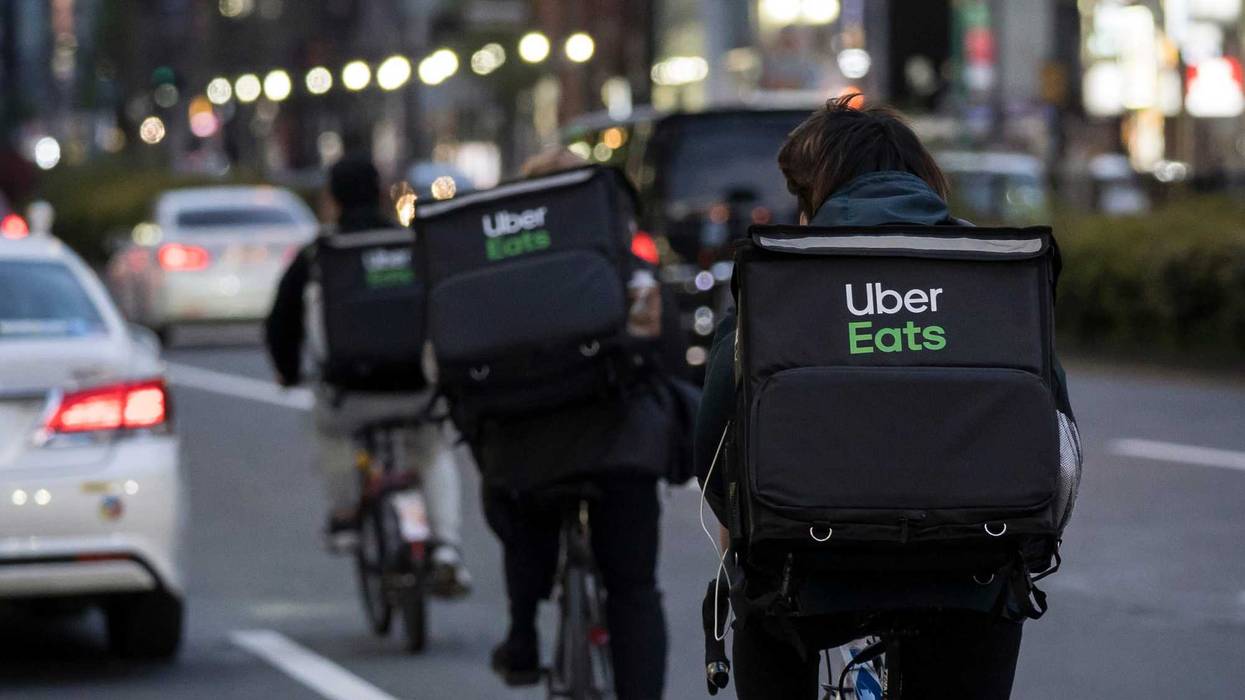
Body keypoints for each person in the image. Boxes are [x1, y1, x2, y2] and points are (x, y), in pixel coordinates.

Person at [694, 96, 1076, 699]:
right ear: (923, 178)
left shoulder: (784, 274)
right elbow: (1059, 438)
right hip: (972, 571)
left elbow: (714, 437)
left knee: (763, 615)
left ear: (812, 194)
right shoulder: (993, 272)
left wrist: (746, 531)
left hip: (804, 577)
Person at [476, 150, 670, 699]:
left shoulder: (497, 263)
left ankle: (522, 636)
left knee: (520, 508)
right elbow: (667, 350)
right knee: (634, 589)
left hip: (524, 446)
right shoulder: (621, 255)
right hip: (621, 444)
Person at [264, 154, 471, 595]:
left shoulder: (320, 254)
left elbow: (281, 323)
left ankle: (345, 517)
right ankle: (446, 547)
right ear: (381, 193)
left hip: (349, 392)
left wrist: (287, 372)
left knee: (331, 432)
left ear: (332, 199)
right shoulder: (414, 244)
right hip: (417, 387)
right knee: (432, 450)